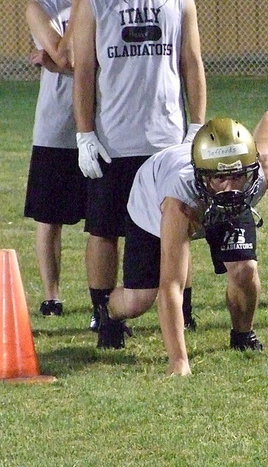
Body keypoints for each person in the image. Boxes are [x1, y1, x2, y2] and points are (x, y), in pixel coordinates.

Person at [96, 110, 268, 376]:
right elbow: (171, 285)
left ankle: (243, 334)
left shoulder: (262, 169)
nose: (230, 187)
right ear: (202, 177)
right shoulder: (179, 199)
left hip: (209, 200)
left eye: (238, 176)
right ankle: (109, 312)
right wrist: (179, 361)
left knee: (245, 270)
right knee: (139, 300)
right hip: (152, 198)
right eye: (220, 178)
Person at [71, 0, 206, 333]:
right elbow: (85, 68)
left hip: (167, 141)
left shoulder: (179, 2)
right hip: (114, 141)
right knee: (103, 230)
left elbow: (192, 62)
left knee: (178, 228)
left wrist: (196, 126)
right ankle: (104, 314)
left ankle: (183, 312)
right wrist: (85, 132)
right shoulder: (94, 4)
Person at [23, 0, 86, 317]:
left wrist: (55, 64)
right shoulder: (40, 7)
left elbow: (104, 61)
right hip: (57, 126)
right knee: (49, 217)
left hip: (105, 122)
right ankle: (52, 297)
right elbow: (70, 56)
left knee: (104, 223)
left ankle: (102, 298)